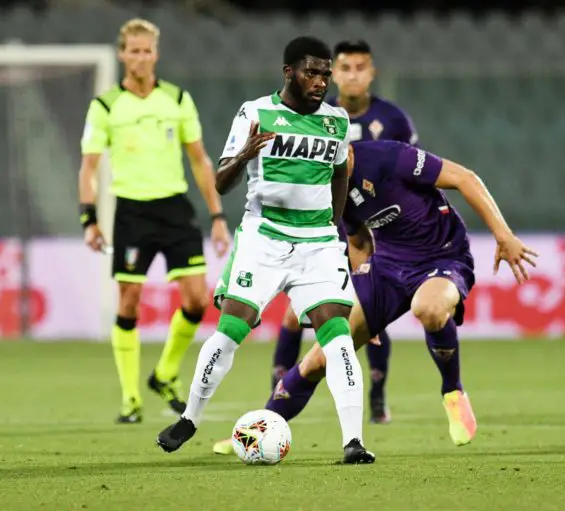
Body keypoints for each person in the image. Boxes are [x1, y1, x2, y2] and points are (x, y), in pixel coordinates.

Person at [214, 139, 537, 454]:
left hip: (442, 257)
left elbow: (465, 178)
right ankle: (258, 432)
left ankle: (453, 392)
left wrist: (503, 235)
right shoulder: (332, 188)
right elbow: (358, 243)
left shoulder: (392, 157)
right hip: (386, 269)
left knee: (428, 308)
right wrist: (366, 305)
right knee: (320, 359)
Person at [155, 36, 375, 464]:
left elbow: (340, 174)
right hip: (264, 237)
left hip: (318, 244)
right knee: (230, 331)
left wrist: (334, 227)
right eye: (311, 72)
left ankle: (354, 441)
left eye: (325, 74)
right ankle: (189, 418)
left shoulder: (336, 121)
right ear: (289, 72)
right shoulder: (255, 112)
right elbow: (220, 183)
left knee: (338, 338)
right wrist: (243, 155)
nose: (321, 81)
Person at [78, 18, 230, 424]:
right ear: (122, 54)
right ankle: (131, 399)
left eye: (147, 50)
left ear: (156, 54)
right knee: (128, 301)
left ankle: (164, 374)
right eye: (134, 50)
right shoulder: (106, 106)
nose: (141, 57)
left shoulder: (176, 99)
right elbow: (89, 167)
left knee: (197, 300)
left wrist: (217, 215)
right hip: (132, 212)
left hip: (174, 209)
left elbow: (199, 160)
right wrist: (88, 219)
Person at [271, 39, 419, 425]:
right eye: (345, 68)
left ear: (372, 73)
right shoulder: (316, 115)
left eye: (360, 67)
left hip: (375, 229)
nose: (353, 75)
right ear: (333, 73)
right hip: (324, 225)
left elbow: (411, 171)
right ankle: (274, 399)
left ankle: (377, 396)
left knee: (370, 313)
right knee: (294, 315)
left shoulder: (393, 120)